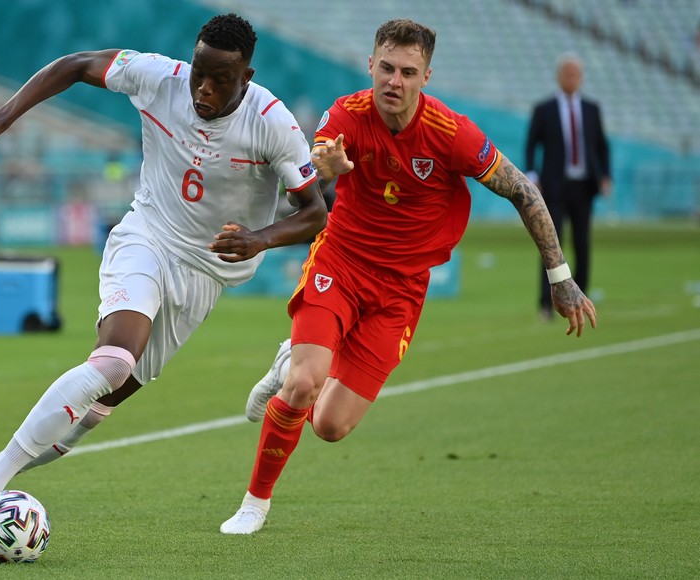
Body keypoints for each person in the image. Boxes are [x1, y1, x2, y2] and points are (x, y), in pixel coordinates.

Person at [0, 13, 327, 544]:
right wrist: (3, 117)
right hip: (147, 237)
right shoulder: (155, 77)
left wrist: (260, 237)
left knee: (96, 411)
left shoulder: (273, 123)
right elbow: (75, 65)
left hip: (206, 273)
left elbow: (313, 214)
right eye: (199, 74)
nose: (203, 90)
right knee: (113, 361)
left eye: (220, 80)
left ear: (248, 76)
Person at [220, 19, 598, 535]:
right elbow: (314, 170)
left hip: (401, 289)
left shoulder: (453, 134)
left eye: (407, 72)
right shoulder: (346, 114)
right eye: (386, 68)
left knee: (330, 426)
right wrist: (326, 166)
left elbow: (523, 192)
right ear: (370, 65)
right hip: (342, 263)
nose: (393, 80)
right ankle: (254, 504)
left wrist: (560, 276)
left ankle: (291, 361)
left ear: (425, 76)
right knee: (306, 383)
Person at [524, 53, 611, 321]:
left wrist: (605, 175)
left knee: (583, 243)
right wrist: (532, 174)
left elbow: (601, 145)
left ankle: (581, 298)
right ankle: (546, 303)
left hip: (583, 186)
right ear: (559, 76)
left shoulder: (591, 109)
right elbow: (531, 144)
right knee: (551, 244)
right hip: (554, 186)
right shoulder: (544, 109)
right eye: (568, 74)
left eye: (577, 75)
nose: (573, 79)